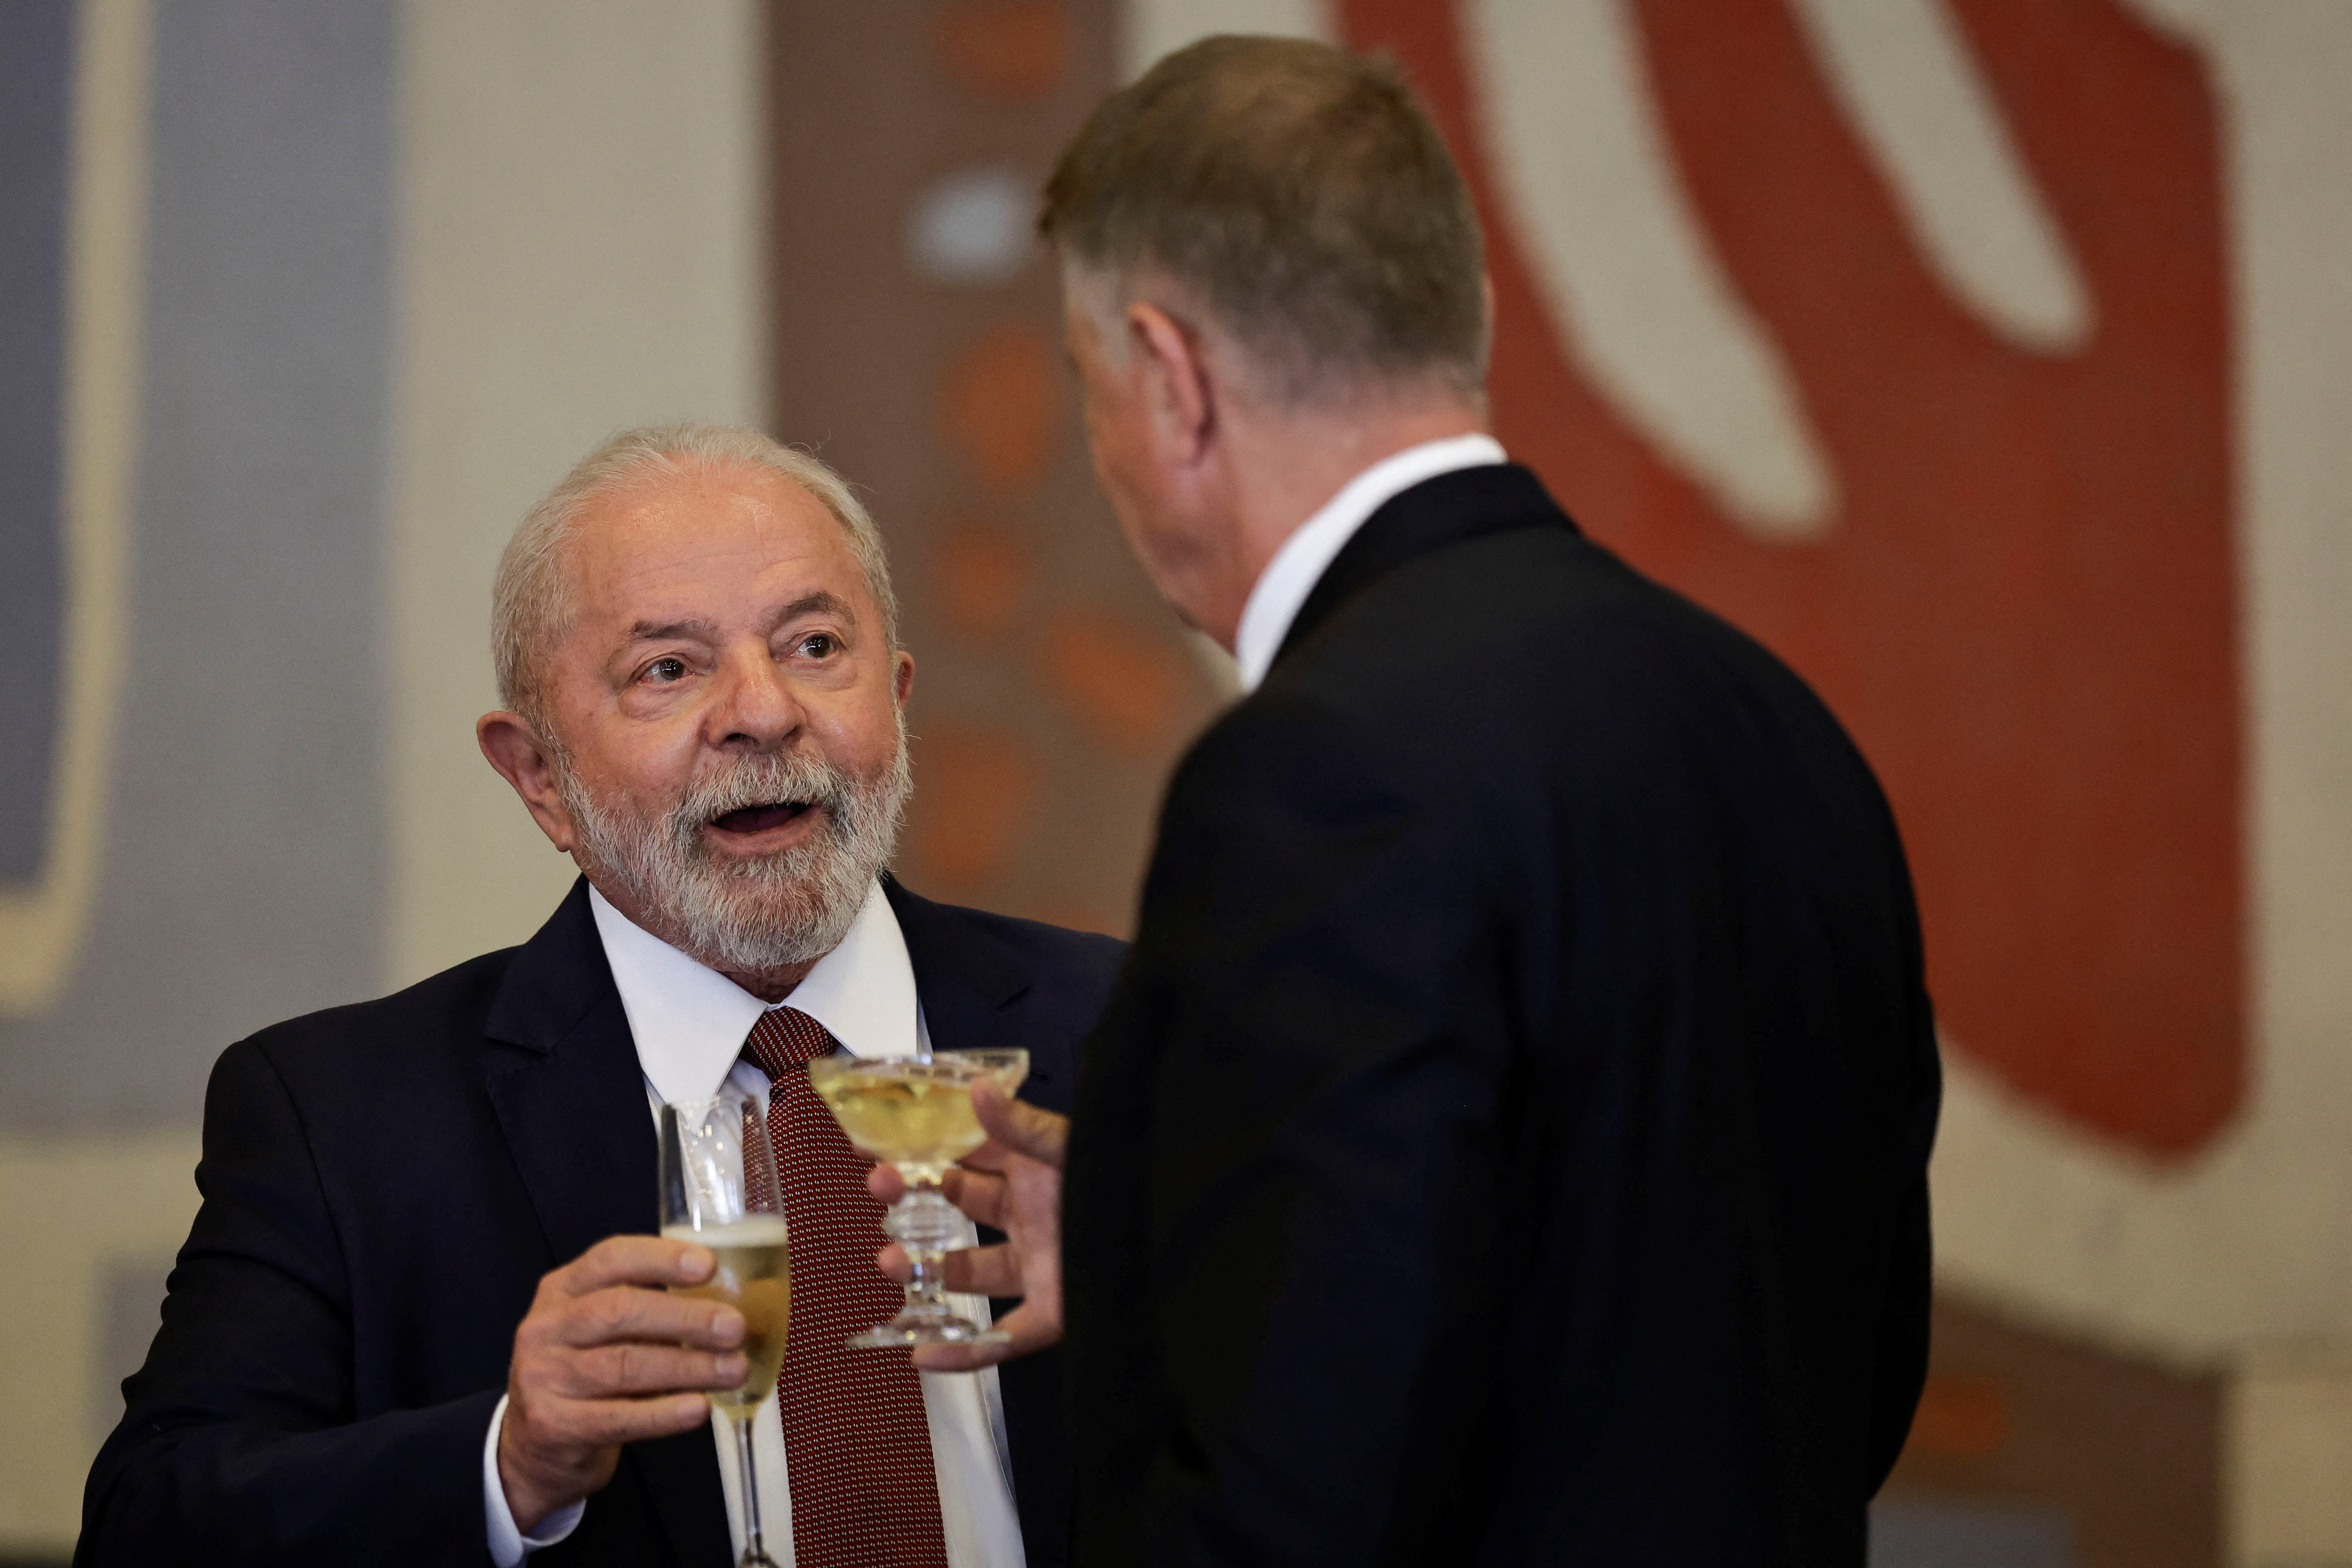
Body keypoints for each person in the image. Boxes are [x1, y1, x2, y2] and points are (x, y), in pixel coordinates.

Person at [888, 36, 1941, 1567]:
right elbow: (1832, 1368)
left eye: (1090, 382)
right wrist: (1150, 1243)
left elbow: (1310, 1480)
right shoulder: (1776, 726)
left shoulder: (1316, 774)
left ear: (1171, 381)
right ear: (1470, 313)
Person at [78, 425, 1122, 1568]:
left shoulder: (1137, 1033)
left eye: (815, 645)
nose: (763, 712)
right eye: (667, 669)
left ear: (900, 698)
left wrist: (1166, 1292)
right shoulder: (344, 1119)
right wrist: (507, 1464)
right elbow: (152, 1527)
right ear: (539, 778)